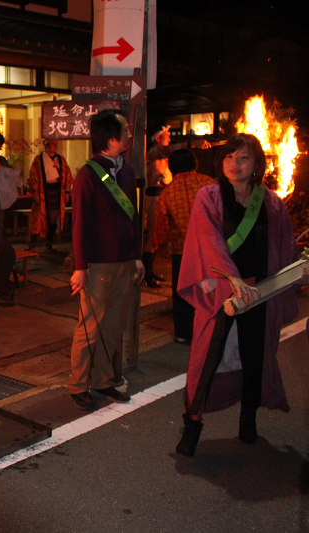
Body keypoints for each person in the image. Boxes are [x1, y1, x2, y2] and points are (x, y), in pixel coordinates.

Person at [175, 133, 309, 457]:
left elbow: (283, 245)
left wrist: (299, 265)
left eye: (244, 158)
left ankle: (248, 419)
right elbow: (208, 241)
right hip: (222, 292)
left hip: (259, 294)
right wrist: (232, 277)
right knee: (207, 359)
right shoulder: (208, 197)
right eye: (229, 157)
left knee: (254, 359)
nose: (235, 164)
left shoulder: (272, 202)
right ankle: (192, 424)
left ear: (257, 165)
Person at [69, 109, 144, 411]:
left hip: (125, 262)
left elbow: (134, 217)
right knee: (89, 327)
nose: (128, 135)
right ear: (111, 137)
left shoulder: (127, 172)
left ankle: (102, 380)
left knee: (113, 326)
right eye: (124, 131)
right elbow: (79, 224)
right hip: (97, 265)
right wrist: (79, 266)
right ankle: (77, 384)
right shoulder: (87, 174)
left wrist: (137, 256)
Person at [153, 149, 215, 344]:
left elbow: (160, 228)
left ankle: (183, 333)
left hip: (182, 249)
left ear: (171, 167)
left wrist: (156, 243)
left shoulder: (168, 192)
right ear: (194, 164)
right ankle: (209, 329)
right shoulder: (209, 183)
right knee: (210, 289)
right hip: (211, 248)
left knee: (183, 291)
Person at [144, 126, 212, 287]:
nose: (169, 138)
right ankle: (146, 274)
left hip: (161, 193)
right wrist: (193, 143)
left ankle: (149, 271)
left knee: (156, 238)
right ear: (159, 138)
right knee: (153, 236)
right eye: (167, 136)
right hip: (154, 195)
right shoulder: (155, 151)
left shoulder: (163, 155)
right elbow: (172, 149)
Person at [28, 139, 74, 251]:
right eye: (51, 143)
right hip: (43, 192)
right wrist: (35, 192)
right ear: (46, 145)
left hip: (57, 192)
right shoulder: (39, 160)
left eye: (55, 143)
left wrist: (67, 191)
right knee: (38, 218)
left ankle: (49, 242)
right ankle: (33, 243)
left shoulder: (61, 159)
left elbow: (67, 175)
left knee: (54, 217)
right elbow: (33, 176)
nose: (54, 146)